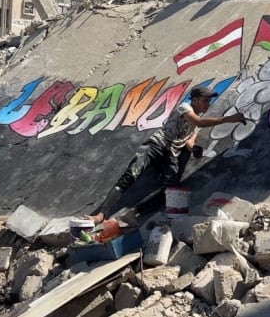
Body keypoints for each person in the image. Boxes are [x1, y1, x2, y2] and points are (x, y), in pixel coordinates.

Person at [90, 85, 246, 223]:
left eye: (208, 101)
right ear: (195, 100)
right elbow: (199, 122)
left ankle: (135, 212)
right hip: (155, 145)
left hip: (171, 154)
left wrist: (194, 149)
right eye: (205, 101)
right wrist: (229, 119)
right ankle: (101, 214)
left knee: (172, 188)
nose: (207, 104)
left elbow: (190, 140)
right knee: (131, 175)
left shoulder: (196, 122)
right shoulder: (185, 108)